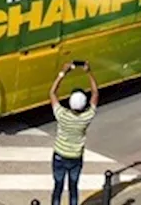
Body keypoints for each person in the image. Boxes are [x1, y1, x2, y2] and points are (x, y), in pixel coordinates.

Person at [48, 61, 99, 205]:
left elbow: (52, 93)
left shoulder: (62, 115)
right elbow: (95, 93)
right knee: (73, 187)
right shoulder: (86, 117)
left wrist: (62, 73)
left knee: (58, 186)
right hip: (75, 157)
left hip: (59, 155)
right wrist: (89, 72)